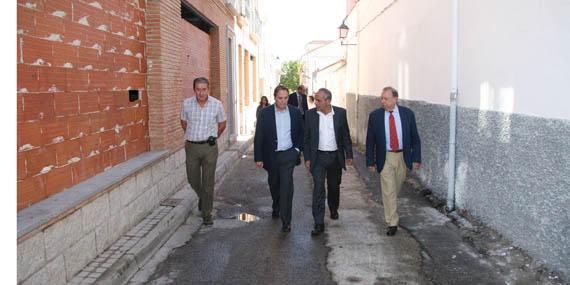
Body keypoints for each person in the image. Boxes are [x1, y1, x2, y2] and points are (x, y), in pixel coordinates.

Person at [365, 86, 421, 236]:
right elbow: (370, 141)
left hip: (403, 157)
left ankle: (391, 209)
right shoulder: (375, 116)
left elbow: (415, 139)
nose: (382, 101)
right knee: (389, 190)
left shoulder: (407, 114)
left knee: (395, 188)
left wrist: (416, 158)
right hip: (386, 157)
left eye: (386, 98)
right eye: (381, 98)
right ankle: (392, 222)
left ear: (395, 99)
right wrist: (370, 161)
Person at [254, 85, 304, 233]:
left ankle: (286, 221)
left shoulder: (295, 112)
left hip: (288, 154)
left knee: (287, 187)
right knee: (274, 184)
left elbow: (302, 132)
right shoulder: (265, 113)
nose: (283, 101)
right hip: (272, 155)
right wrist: (258, 157)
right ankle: (277, 204)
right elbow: (260, 136)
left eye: (286, 98)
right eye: (280, 98)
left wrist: (297, 150)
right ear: (275, 97)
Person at [303, 88, 353, 236]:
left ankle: (333, 208)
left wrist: (348, 155)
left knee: (333, 186)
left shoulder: (340, 113)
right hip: (318, 158)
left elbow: (345, 136)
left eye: (318, 100)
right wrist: (307, 158)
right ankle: (318, 223)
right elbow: (306, 139)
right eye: (315, 99)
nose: (315, 102)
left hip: (335, 157)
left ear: (328, 101)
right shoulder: (310, 115)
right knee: (318, 188)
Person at [180, 77, 227, 226]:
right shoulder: (186, 104)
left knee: (208, 181)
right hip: (191, 147)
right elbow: (183, 122)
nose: (201, 93)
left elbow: (222, 123)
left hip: (209, 148)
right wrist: (192, 135)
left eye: (204, 89)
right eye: (198, 89)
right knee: (192, 178)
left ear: (208, 89)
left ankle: (207, 213)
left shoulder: (216, 104)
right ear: (194, 90)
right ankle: (203, 198)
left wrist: (215, 137)